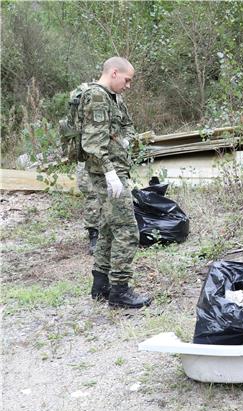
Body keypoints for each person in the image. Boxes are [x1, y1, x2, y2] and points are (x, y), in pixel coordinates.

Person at [81, 56, 151, 308]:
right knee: (128, 230)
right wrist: (110, 172)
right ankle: (120, 291)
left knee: (109, 228)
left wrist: (125, 141)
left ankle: (100, 286)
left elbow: (127, 126)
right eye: (127, 79)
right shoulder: (97, 96)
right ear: (113, 73)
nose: (129, 85)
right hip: (106, 175)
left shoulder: (113, 97)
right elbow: (91, 144)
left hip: (116, 172)